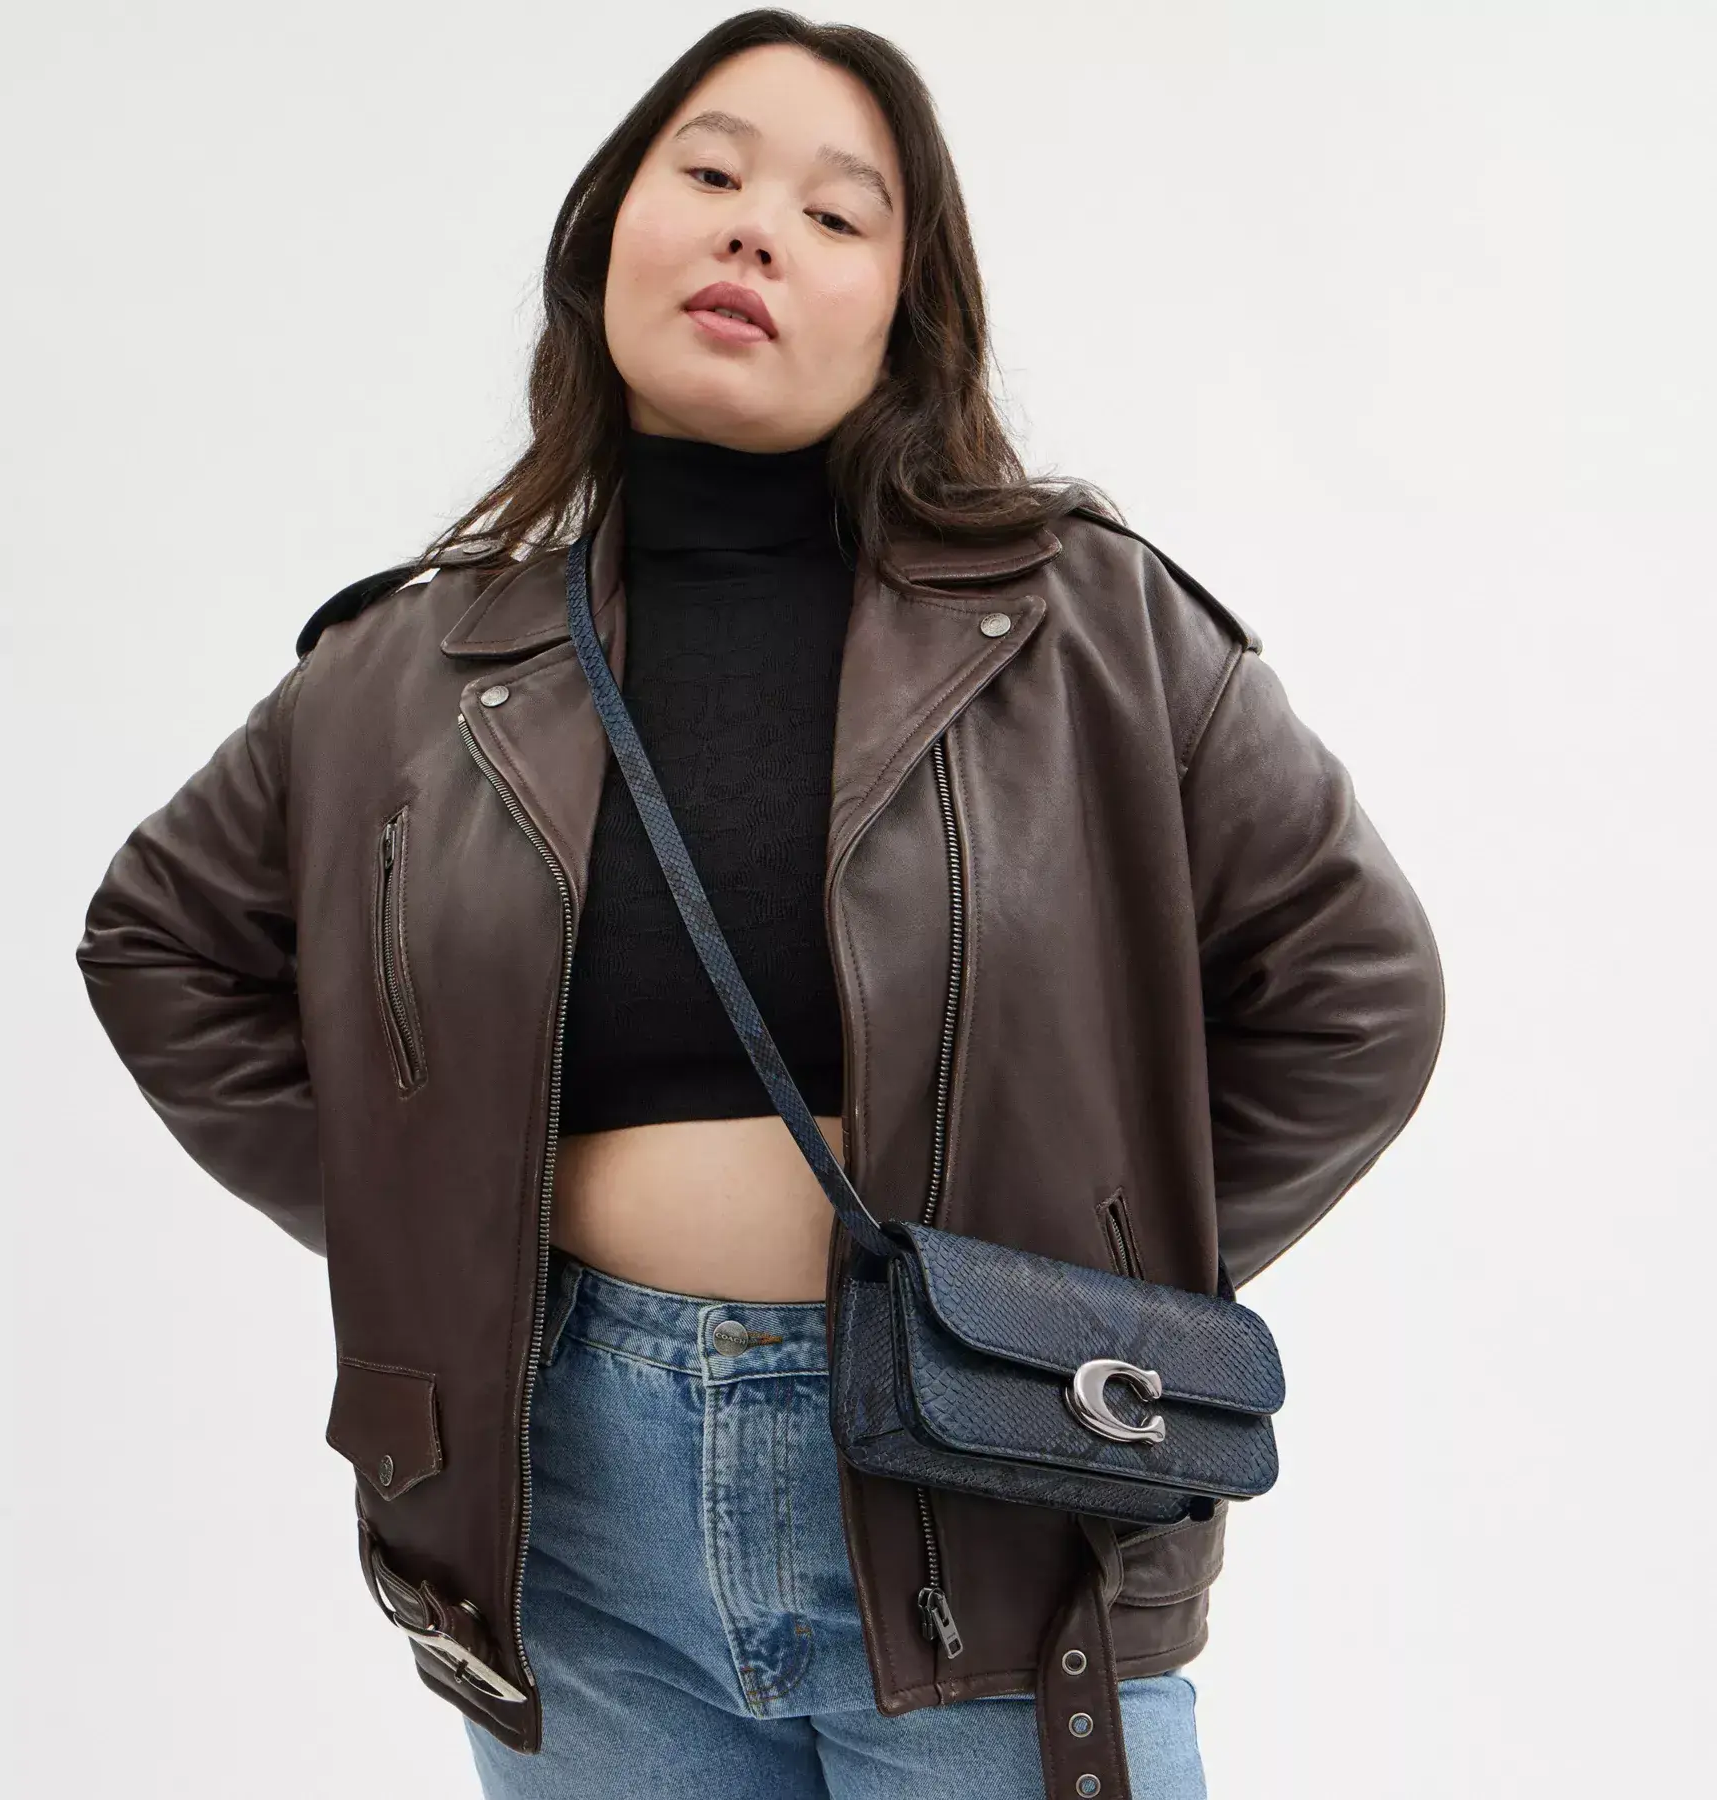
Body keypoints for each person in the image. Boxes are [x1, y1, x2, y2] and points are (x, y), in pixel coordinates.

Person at [75, 11, 1445, 1799]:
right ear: (605, 235)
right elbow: (160, 941)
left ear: (905, 315)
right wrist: (439, 1240)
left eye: (836, 211)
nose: (754, 228)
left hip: (992, 1499)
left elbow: (1356, 993)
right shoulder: (402, 671)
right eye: (710, 172)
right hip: (566, 1521)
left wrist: (1070, 1297)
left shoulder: (1092, 626)